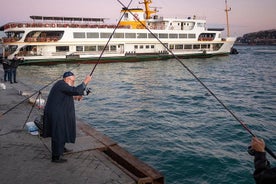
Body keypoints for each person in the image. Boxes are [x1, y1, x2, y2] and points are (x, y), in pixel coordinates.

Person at [43, 71, 92, 163]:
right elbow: (74, 90)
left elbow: (70, 93)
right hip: (57, 113)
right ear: (67, 79)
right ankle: (56, 157)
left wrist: (77, 97)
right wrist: (86, 81)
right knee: (58, 133)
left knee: (64, 130)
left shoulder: (63, 85)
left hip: (61, 112)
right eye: (73, 81)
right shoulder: (61, 85)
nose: (73, 83)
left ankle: (62, 148)